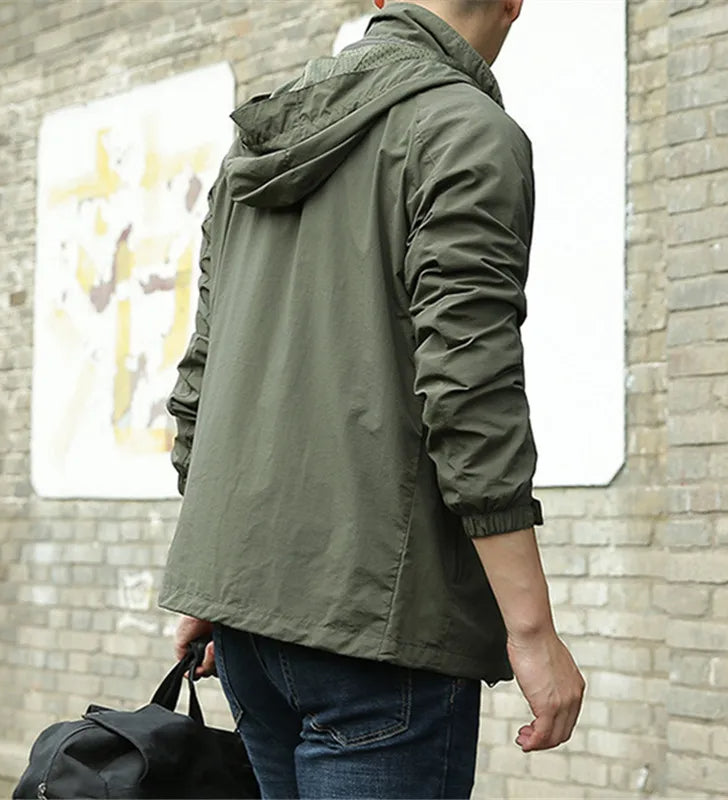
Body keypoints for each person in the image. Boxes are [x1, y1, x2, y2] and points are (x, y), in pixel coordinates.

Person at [162, 0, 585, 797]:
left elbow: (201, 382)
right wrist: (532, 632)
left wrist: (217, 582)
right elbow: (471, 394)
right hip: (379, 634)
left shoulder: (256, 141)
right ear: (512, 5)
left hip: (247, 620)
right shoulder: (467, 132)